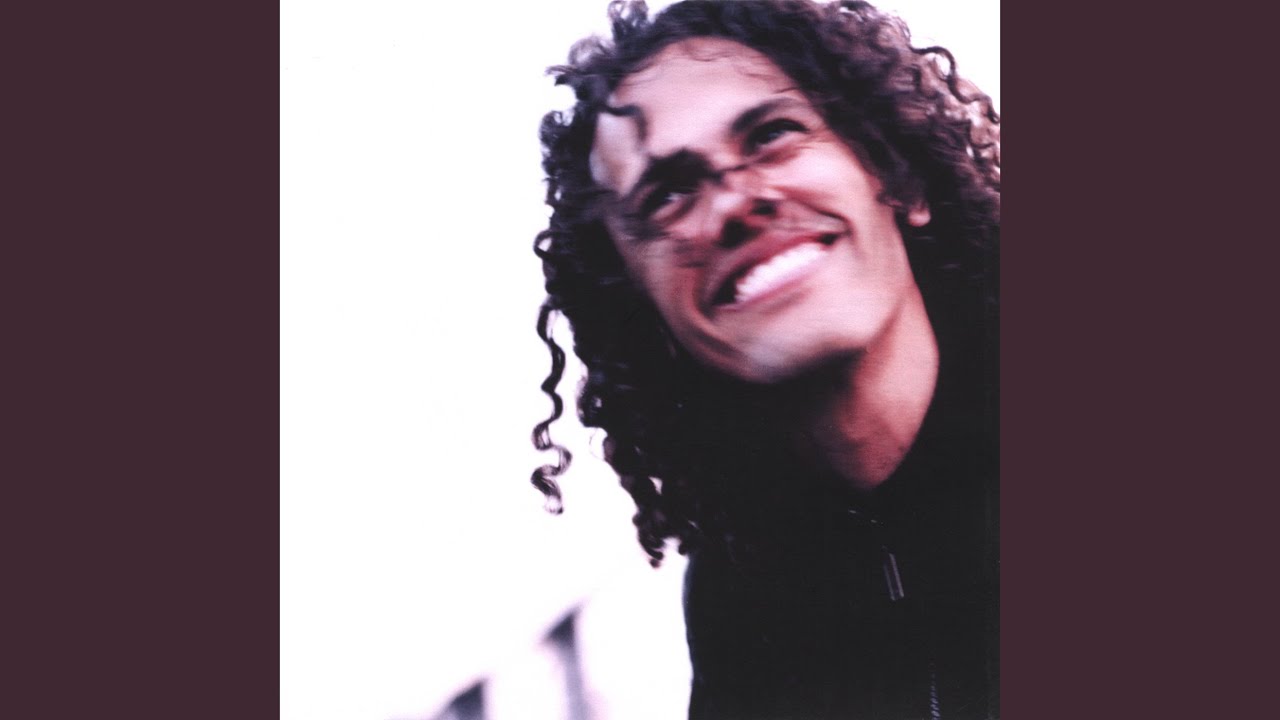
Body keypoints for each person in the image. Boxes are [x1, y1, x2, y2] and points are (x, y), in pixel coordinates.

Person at [530, 1, 999, 718]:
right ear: (645, 312)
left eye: (773, 135)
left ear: (897, 176)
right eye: (669, 194)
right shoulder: (741, 605)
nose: (735, 203)